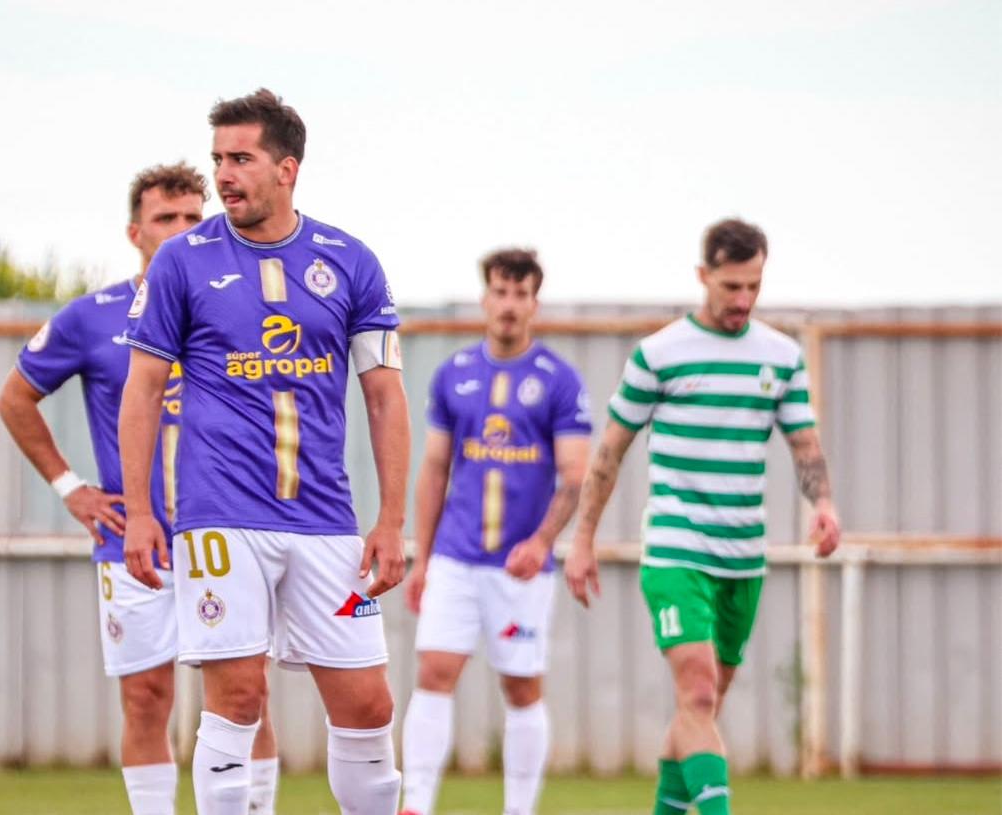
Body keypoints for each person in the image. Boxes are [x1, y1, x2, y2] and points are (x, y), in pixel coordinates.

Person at [118, 88, 410, 815]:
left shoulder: (351, 260)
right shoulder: (181, 262)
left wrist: (391, 519)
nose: (224, 174)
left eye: (241, 158)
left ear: (287, 169)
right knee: (240, 696)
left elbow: (384, 396)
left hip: (326, 520)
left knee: (369, 704)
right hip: (219, 515)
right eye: (218, 158)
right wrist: (141, 513)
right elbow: (142, 390)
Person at [0, 162, 280, 815]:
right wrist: (71, 488)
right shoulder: (91, 317)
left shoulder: (244, 307)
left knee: (248, 695)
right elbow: (14, 398)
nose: (180, 229)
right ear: (135, 232)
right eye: (164, 218)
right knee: (147, 698)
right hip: (135, 539)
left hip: (231, 533)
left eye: (192, 217)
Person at [565, 218, 841, 815]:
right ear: (703, 276)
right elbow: (610, 451)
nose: (743, 300)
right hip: (676, 550)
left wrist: (822, 504)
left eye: (753, 287)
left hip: (744, 556)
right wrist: (583, 539)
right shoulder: (659, 354)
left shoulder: (782, 357)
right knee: (697, 692)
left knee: (700, 709)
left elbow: (805, 445)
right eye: (731, 286)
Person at [399, 249, 591, 815]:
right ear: (485, 298)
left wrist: (541, 542)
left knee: (521, 686)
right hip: (456, 557)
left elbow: (575, 476)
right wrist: (422, 559)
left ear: (535, 303)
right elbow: (435, 468)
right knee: (433, 671)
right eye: (500, 292)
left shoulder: (559, 380)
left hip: (520, 568)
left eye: (520, 294)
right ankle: (415, 804)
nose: (509, 305)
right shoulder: (454, 373)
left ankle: (519, 809)